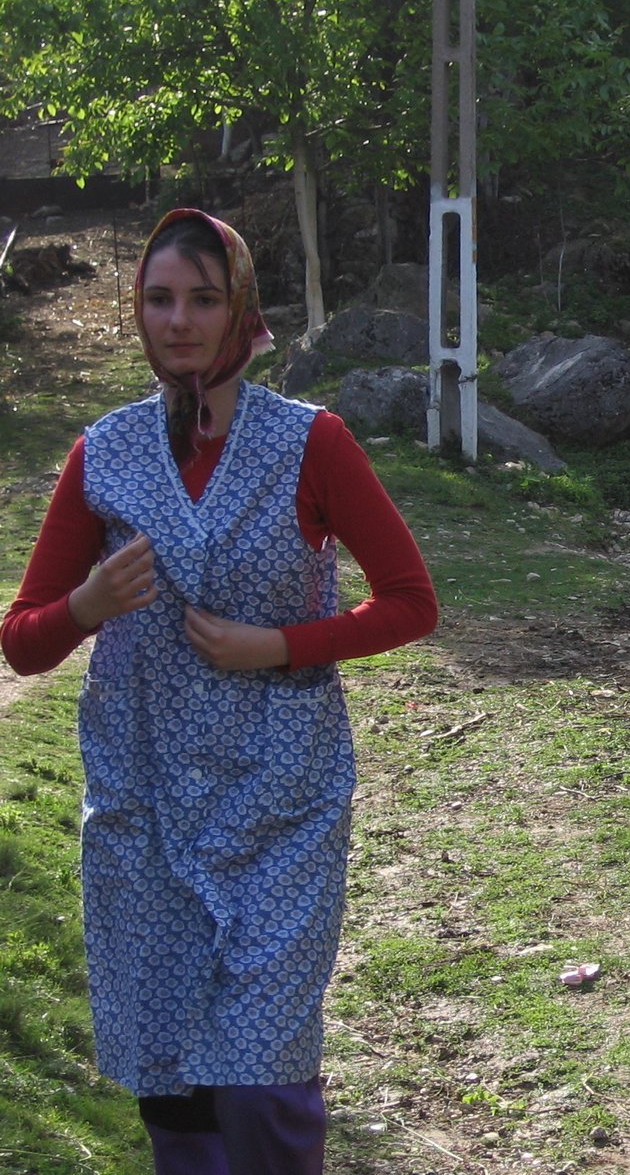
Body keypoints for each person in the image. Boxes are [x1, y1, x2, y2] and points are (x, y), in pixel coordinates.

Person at [2, 209, 438, 1175]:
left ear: (241, 306)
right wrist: (87, 601)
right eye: (159, 299)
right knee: (172, 1077)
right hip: (143, 804)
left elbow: (411, 603)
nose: (179, 320)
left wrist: (280, 644)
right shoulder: (103, 454)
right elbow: (24, 643)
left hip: (278, 803)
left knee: (262, 1074)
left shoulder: (310, 444)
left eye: (203, 297)